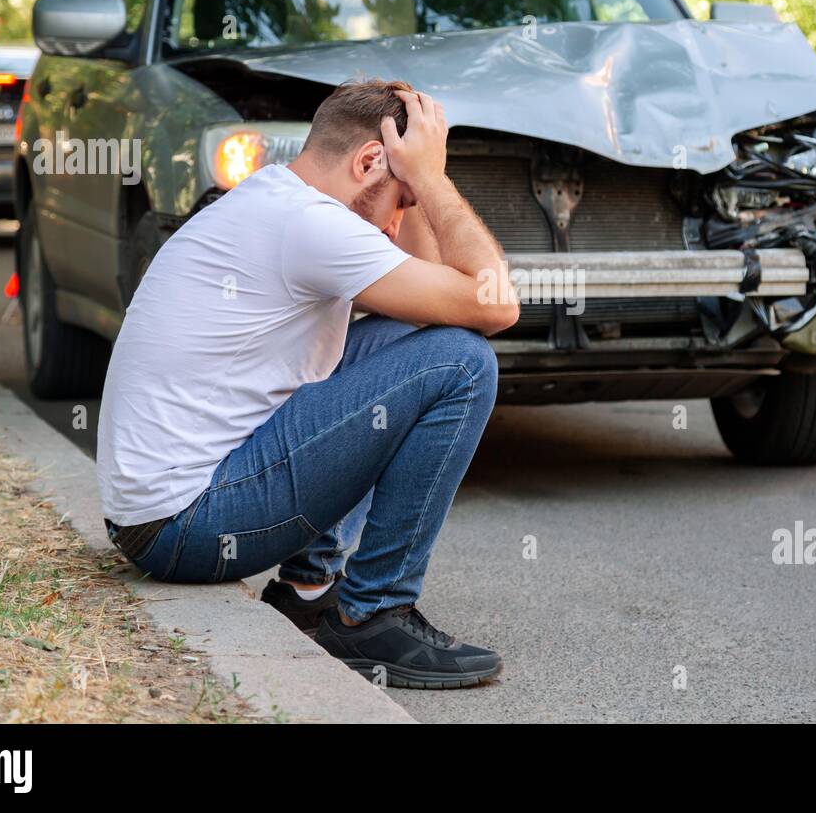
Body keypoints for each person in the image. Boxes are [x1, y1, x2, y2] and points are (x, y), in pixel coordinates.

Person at [96, 79, 519, 688]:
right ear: (370, 161)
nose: (398, 226)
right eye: (399, 200)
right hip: (181, 528)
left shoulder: (279, 201)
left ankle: (308, 589)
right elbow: (494, 304)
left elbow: (435, 304)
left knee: (411, 340)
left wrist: (417, 186)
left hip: (163, 513)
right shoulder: (310, 226)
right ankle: (373, 615)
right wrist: (431, 177)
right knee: (461, 362)